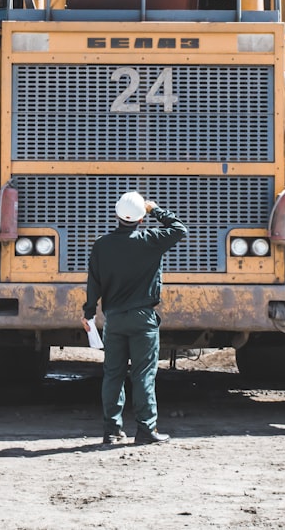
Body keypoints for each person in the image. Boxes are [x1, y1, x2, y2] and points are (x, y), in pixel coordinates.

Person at [81, 191, 187, 446]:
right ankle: (146, 430)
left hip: (114, 319)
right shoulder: (150, 240)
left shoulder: (102, 245)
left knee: (113, 375)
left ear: (117, 215)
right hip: (143, 319)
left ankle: (111, 431)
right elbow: (179, 229)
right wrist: (156, 209)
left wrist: (88, 313)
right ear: (141, 219)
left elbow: (93, 283)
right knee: (143, 375)